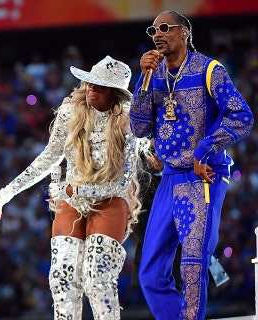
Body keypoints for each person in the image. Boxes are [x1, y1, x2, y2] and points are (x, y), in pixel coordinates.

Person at [0, 56, 142, 320]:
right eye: (90, 83)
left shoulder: (129, 120)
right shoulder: (71, 111)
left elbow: (122, 180)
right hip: (71, 196)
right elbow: (50, 156)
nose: (92, 89)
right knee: (62, 278)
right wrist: (8, 191)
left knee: (98, 278)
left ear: (116, 94)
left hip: (109, 196)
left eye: (101, 86)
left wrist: (79, 192)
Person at [131, 10, 254, 320]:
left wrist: (204, 150)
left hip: (203, 175)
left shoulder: (209, 69)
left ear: (183, 32)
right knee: (150, 273)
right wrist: (142, 83)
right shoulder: (154, 76)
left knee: (192, 263)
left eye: (164, 28)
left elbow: (242, 116)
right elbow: (138, 128)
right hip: (170, 176)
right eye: (153, 30)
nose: (156, 35)